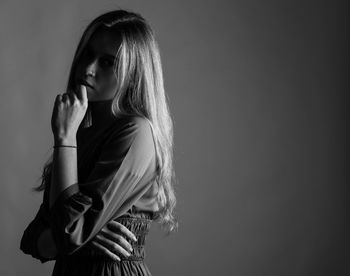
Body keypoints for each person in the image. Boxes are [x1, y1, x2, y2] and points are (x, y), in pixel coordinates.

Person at [20, 9, 177, 276]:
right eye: (87, 54)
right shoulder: (83, 132)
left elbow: (66, 234)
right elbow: (33, 241)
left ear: (134, 74)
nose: (87, 69)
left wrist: (64, 138)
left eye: (107, 62)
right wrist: (83, 238)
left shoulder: (135, 133)